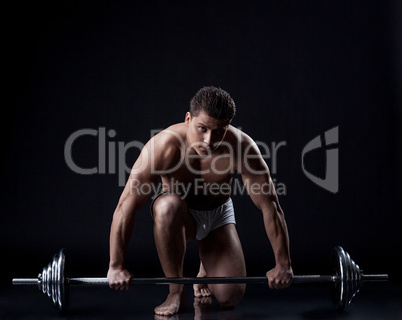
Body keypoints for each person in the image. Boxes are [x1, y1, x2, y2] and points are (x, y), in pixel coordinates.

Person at [107, 86, 293, 316]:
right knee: (167, 206)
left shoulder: (242, 147)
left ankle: (205, 270)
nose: (209, 139)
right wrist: (115, 266)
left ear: (228, 126)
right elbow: (126, 206)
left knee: (229, 298)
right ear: (188, 119)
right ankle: (175, 291)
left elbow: (270, 206)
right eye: (202, 128)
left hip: (217, 215)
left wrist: (283, 263)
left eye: (218, 131)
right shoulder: (163, 146)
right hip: (179, 218)